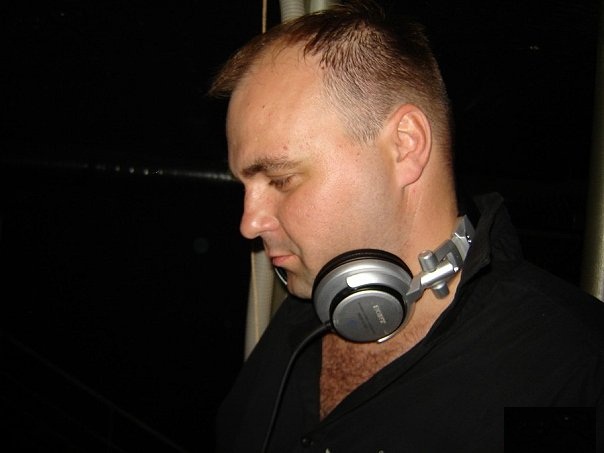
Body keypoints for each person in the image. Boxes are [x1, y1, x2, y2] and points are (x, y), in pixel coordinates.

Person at [208, 1, 604, 451]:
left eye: (281, 179)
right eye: (245, 185)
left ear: (405, 146)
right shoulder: (300, 319)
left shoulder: (568, 374)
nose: (249, 224)